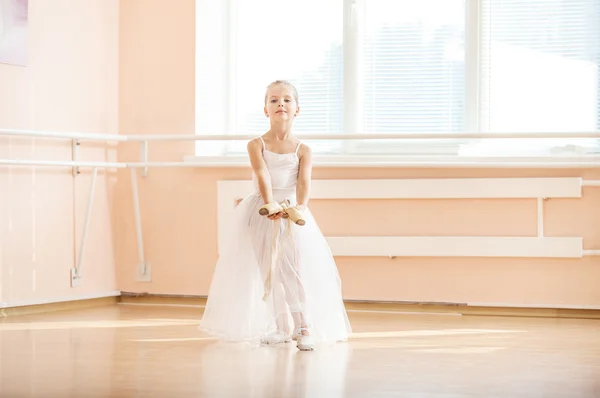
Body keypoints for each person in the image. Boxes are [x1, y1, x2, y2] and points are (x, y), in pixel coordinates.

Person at [199, 80, 352, 351]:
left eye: (286, 100)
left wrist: (298, 208)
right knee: (267, 271)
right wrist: (270, 205)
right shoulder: (256, 144)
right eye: (273, 100)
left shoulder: (303, 149)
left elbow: (304, 183)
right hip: (262, 210)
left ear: (297, 109)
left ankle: (303, 325)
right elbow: (262, 175)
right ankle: (281, 327)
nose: (280, 103)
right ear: (265, 109)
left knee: (291, 270)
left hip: (292, 213)